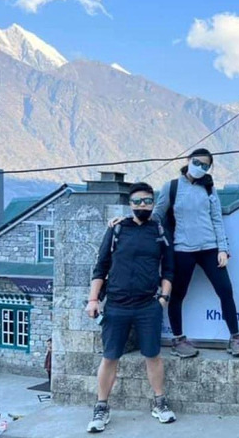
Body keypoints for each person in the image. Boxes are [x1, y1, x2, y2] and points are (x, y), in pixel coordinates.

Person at [85, 183, 176, 433]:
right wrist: (93, 300)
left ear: (153, 202)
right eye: (137, 201)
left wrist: (163, 299)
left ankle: (159, 403)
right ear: (130, 204)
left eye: (147, 201)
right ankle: (101, 407)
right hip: (116, 305)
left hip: (148, 305)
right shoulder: (117, 229)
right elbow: (100, 266)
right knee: (110, 357)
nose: (142, 205)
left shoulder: (159, 230)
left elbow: (168, 269)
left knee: (153, 356)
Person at [155, 148, 239, 358]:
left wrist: (223, 248)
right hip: (182, 249)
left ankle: (235, 338)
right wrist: (129, 221)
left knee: (225, 291)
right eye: (197, 162)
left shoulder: (209, 188)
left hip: (210, 249)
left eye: (205, 165)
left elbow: (216, 219)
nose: (200, 168)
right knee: (177, 295)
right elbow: (157, 215)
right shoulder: (172, 187)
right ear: (188, 160)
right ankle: (178, 339)